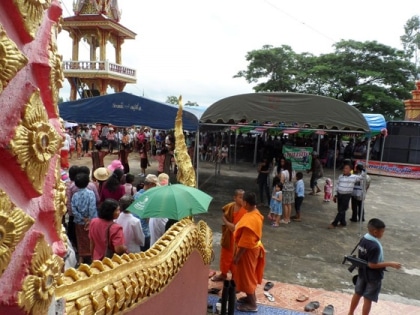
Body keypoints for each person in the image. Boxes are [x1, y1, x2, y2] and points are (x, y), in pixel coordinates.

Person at [348, 218, 402, 315]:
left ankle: (350, 313)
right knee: (368, 298)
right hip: (373, 276)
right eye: (382, 232)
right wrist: (390, 263)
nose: (383, 234)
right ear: (375, 232)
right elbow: (372, 264)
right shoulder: (375, 246)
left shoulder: (364, 239)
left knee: (358, 293)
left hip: (362, 272)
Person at [233, 192, 265, 313]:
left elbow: (246, 243)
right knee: (248, 274)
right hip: (251, 249)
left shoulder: (251, 219)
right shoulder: (254, 213)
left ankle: (252, 304)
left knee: (247, 277)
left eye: (243, 201)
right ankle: (250, 297)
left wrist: (237, 257)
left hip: (247, 252)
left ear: (246, 203)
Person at [211, 189, 247, 282]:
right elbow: (224, 214)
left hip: (238, 238)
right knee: (225, 256)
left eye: (243, 198)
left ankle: (235, 276)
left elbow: (235, 227)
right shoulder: (230, 206)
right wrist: (227, 222)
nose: (242, 200)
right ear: (234, 198)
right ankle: (223, 274)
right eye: (240, 197)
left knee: (236, 257)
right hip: (228, 237)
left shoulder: (246, 210)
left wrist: (228, 223)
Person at [71, 173, 97, 264]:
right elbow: (92, 208)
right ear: (87, 183)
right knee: (91, 238)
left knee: (80, 239)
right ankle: (92, 256)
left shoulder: (75, 195)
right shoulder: (90, 194)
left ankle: (81, 257)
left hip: (79, 222)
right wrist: (89, 219)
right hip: (91, 222)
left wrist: (82, 218)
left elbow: (73, 209)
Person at [328, 163, 360, 229]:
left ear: (350, 170)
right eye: (344, 168)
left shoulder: (354, 177)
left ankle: (334, 223)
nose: (344, 169)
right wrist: (335, 195)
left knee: (342, 210)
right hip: (339, 194)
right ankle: (343, 222)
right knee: (340, 209)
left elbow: (363, 177)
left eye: (346, 168)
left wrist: (364, 169)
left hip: (346, 195)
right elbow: (337, 185)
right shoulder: (340, 176)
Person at [133, 174, 160, 251]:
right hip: (145, 233)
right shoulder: (148, 198)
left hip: (137, 231)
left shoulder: (137, 194)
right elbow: (148, 218)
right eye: (154, 186)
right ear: (151, 185)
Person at [280, 159, 295, 224]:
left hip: (285, 190)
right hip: (291, 189)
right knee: (289, 204)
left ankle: (285, 219)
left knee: (285, 204)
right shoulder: (293, 171)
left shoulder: (284, 172)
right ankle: (288, 218)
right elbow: (294, 180)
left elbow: (281, 182)